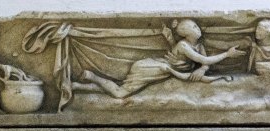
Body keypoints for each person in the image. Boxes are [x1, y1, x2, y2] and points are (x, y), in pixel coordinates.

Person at [76, 19, 246, 98]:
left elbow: (205, 62)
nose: (198, 28)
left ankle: (80, 86)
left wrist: (202, 69)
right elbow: (205, 60)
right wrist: (227, 54)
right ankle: (93, 77)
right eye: (194, 27)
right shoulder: (184, 46)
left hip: (162, 68)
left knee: (123, 90)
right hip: (152, 69)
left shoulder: (198, 45)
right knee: (121, 94)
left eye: (196, 25)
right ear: (186, 34)